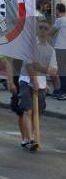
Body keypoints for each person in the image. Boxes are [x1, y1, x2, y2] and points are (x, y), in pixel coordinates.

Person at [18, 18, 58, 151]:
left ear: (49, 31)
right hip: (26, 80)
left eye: (45, 28)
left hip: (40, 83)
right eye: (40, 27)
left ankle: (34, 136)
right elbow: (30, 64)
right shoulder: (30, 45)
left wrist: (45, 82)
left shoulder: (50, 50)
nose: (42, 30)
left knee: (38, 112)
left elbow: (53, 69)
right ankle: (28, 139)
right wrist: (35, 80)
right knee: (28, 111)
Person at [49, 3, 66, 100]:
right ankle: (61, 90)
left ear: (58, 11)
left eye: (56, 10)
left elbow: (51, 32)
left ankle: (63, 92)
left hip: (60, 48)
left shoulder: (59, 20)